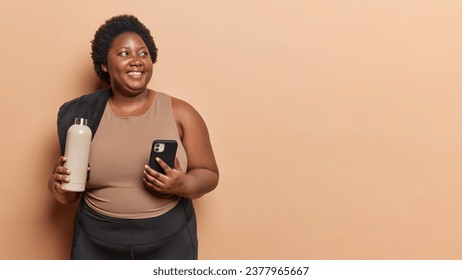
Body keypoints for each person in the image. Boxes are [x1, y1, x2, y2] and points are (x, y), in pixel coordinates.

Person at [48, 14, 219, 260]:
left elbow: (209, 174)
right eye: (124, 54)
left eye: (143, 53)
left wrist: (182, 184)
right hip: (94, 242)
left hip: (170, 241)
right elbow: (67, 194)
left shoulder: (181, 112)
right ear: (104, 64)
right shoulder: (80, 115)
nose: (136, 60)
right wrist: (58, 186)